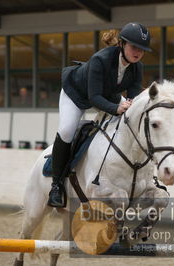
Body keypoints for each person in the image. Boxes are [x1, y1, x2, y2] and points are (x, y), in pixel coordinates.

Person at [47, 22, 152, 207]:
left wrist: (134, 105)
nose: (138, 52)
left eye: (142, 49)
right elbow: (93, 97)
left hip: (108, 95)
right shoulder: (100, 60)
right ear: (122, 44)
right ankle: (56, 186)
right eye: (134, 47)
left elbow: (133, 96)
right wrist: (116, 108)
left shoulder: (137, 67)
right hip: (77, 93)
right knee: (66, 130)